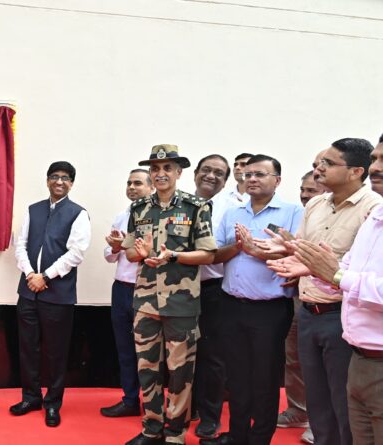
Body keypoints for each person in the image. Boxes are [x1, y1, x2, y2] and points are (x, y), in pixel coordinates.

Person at [268, 131, 383, 445]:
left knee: (346, 408)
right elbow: (304, 251)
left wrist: (323, 269)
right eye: (318, 163)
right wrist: (283, 251)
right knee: (317, 403)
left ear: (354, 172)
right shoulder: (316, 203)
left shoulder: (373, 208)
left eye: (328, 164)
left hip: (342, 316)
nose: (318, 169)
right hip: (308, 311)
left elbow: (354, 268)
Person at [203, 154, 303, 445]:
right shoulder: (233, 213)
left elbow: (296, 254)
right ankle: (236, 434)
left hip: (270, 309)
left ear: (277, 180)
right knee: (235, 375)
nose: (252, 179)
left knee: (265, 377)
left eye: (260, 174)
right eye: (248, 175)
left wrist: (258, 250)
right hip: (231, 305)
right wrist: (239, 247)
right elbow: (215, 255)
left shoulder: (292, 212)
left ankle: (260, 437)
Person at [122, 144, 217, 445]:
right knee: (147, 369)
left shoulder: (195, 207)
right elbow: (128, 249)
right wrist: (137, 253)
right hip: (146, 302)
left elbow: (208, 254)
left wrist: (173, 256)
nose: (160, 173)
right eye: (155, 169)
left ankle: (175, 433)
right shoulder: (139, 208)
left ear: (178, 172)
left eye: (167, 168)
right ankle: (151, 428)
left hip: (181, 304)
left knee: (180, 374)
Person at [11, 161, 91, 428]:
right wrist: (31, 274)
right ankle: (30, 397)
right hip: (28, 292)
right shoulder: (33, 210)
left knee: (56, 352)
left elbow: (76, 253)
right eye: (55, 177)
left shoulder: (78, 213)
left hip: (58, 295)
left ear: (72, 183)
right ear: (47, 180)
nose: (59, 181)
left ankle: (53, 404)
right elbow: (20, 244)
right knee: (28, 348)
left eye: (65, 178)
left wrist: (45, 277)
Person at [276, 169, 326, 445]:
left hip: (332, 304)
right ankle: (298, 410)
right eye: (303, 190)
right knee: (295, 359)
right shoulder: (308, 216)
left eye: (312, 191)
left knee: (324, 367)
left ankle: (320, 425)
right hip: (300, 299)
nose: (306, 195)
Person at [100, 169, 153, 419]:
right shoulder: (122, 216)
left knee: (152, 351)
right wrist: (113, 248)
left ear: (152, 187)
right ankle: (130, 399)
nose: (132, 187)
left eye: (138, 183)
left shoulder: (157, 216)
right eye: (129, 183)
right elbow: (109, 256)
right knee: (124, 348)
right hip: (121, 288)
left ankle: (156, 405)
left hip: (148, 289)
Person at [190, 154, 235, 440]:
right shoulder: (179, 204)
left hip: (213, 290)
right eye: (206, 170)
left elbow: (233, 248)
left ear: (226, 180)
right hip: (179, 288)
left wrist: (208, 256)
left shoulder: (233, 209)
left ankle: (209, 416)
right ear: (195, 173)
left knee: (212, 357)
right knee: (180, 354)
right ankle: (184, 409)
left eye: (219, 173)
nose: (211, 176)